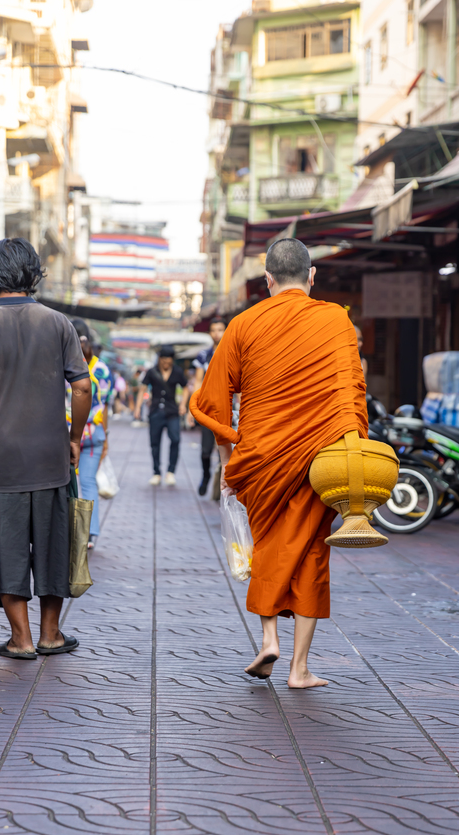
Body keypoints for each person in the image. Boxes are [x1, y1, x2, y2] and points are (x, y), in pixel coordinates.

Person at [190, 238, 367, 689]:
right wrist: (353, 447)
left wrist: (229, 460)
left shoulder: (242, 324)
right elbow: (351, 392)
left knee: (267, 547)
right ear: (312, 276)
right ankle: (299, 668)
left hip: (261, 459)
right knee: (311, 553)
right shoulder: (336, 320)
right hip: (320, 458)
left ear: (267, 279)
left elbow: (213, 399)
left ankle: (269, 639)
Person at [0, 237, 92, 659]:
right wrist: (74, 438)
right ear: (34, 275)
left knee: (4, 548)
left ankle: (21, 639)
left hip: (0, 461)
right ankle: (51, 635)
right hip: (51, 458)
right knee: (53, 547)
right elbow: (82, 388)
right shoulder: (59, 324)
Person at [70, 318, 113, 550]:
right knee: (87, 482)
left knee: (66, 483)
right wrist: (105, 438)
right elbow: (104, 406)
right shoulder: (102, 369)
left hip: (67, 433)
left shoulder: (62, 365)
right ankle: (88, 534)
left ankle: (67, 531)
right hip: (94, 432)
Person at [135, 345, 187, 486]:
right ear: (159, 359)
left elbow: (186, 387)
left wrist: (183, 404)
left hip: (172, 412)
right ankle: (156, 473)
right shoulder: (152, 372)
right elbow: (142, 389)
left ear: (172, 360)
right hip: (155, 411)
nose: (165, 363)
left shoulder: (177, 371)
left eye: (168, 361)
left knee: (175, 439)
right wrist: (138, 408)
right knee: (155, 443)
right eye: (163, 360)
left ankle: (171, 472)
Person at [187, 317, 226, 495]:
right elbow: (198, 382)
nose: (217, 333)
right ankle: (206, 475)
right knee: (205, 450)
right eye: (214, 330)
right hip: (208, 409)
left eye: (220, 329)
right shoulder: (204, 355)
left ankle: (221, 485)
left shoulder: (233, 352)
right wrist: (192, 408)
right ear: (209, 333)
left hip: (227, 409)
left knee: (224, 450)